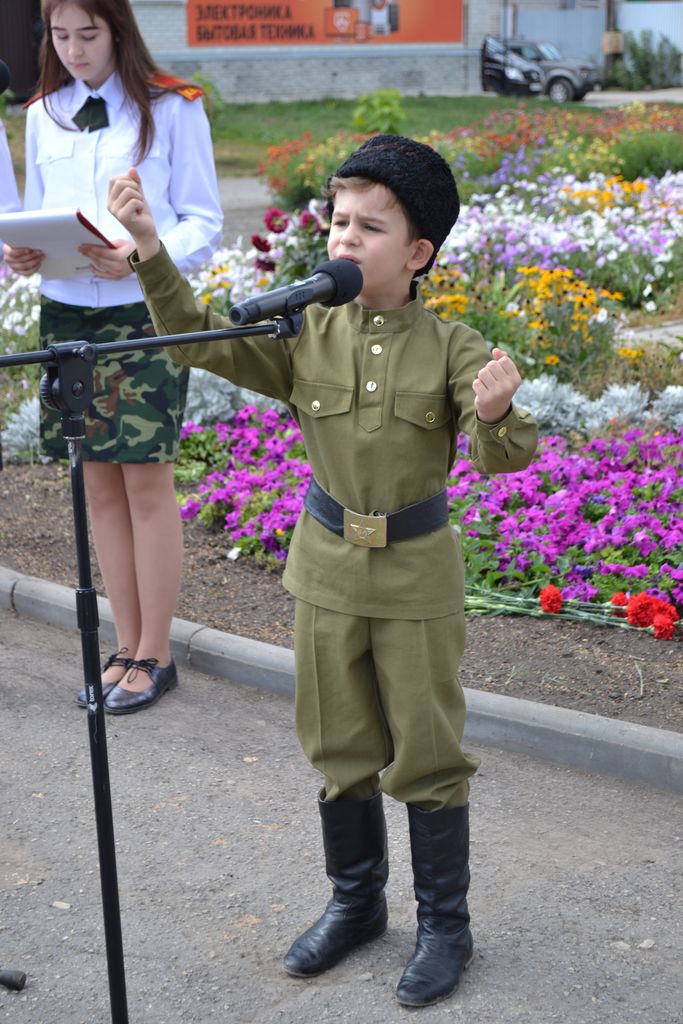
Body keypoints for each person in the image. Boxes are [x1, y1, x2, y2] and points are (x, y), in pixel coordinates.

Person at [108, 134, 538, 1005]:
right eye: (338, 221)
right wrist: (151, 253)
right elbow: (198, 342)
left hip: (416, 579)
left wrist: (495, 411)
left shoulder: (452, 345)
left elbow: (502, 456)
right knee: (339, 748)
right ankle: (355, 905)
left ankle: (444, 928)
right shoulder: (304, 331)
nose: (344, 239)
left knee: (424, 753)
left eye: (369, 227)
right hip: (325, 570)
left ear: (417, 254)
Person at [2, 0, 223, 714]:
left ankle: (155, 654)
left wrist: (140, 256)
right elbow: (36, 212)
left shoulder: (171, 108)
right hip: (68, 314)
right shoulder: (44, 113)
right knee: (98, 485)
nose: (72, 49)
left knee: (146, 485)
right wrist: (23, 254)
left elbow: (202, 220)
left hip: (143, 313)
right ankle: (124, 647)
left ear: (118, 30)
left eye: (87, 34)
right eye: (60, 36)